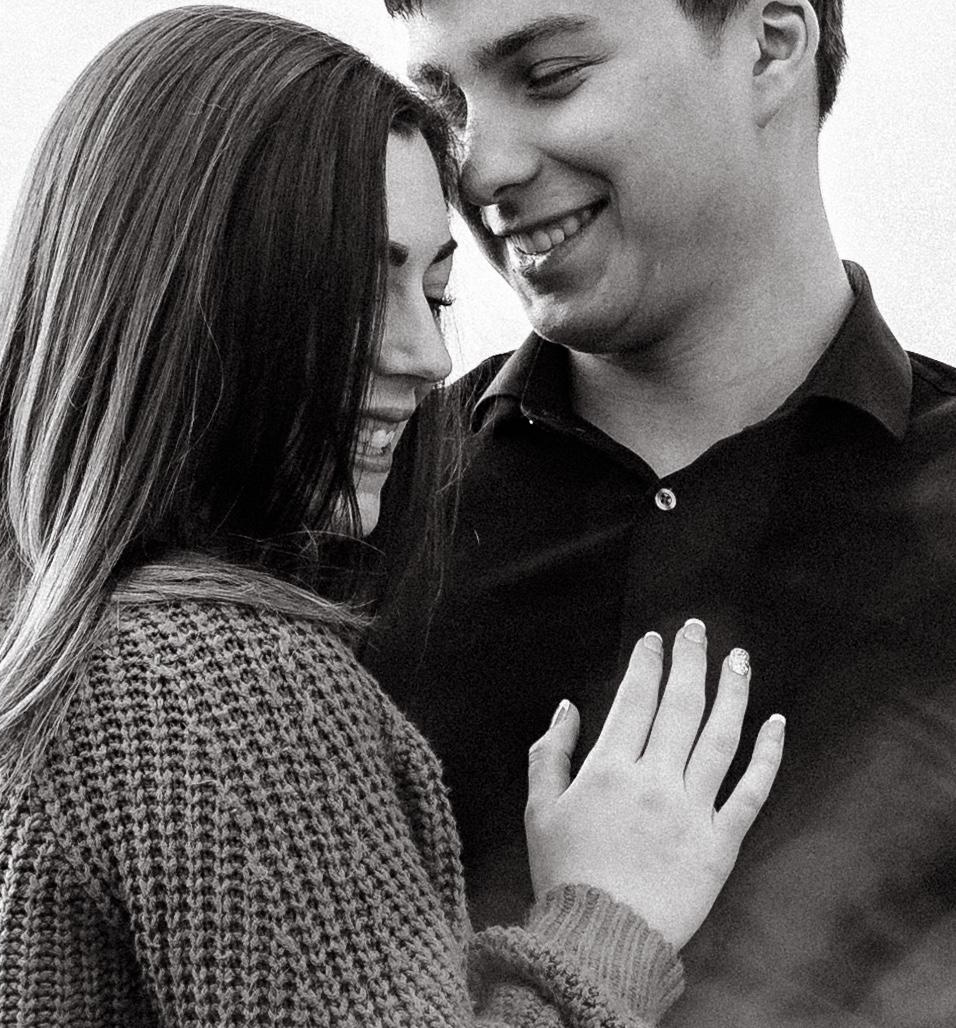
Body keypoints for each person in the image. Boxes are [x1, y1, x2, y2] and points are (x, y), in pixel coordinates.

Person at [0, 7, 786, 1026]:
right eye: (360, 286)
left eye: (436, 293)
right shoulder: (223, 686)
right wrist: (607, 919)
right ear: (191, 291)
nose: (428, 357)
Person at [366, 0, 956, 1024]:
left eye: (548, 76)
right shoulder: (355, 514)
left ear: (771, 42)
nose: (478, 166)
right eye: (447, 106)